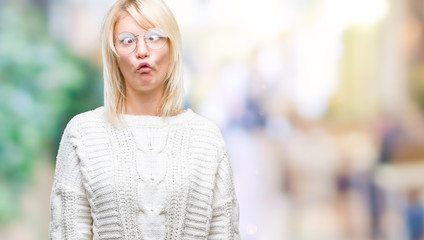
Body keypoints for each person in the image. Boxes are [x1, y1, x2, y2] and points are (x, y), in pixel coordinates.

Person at [48, 0, 241, 239]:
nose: (142, 50)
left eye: (155, 37)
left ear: (172, 47)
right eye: (127, 40)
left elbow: (224, 231)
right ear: (114, 54)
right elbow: (68, 232)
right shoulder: (83, 133)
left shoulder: (207, 138)